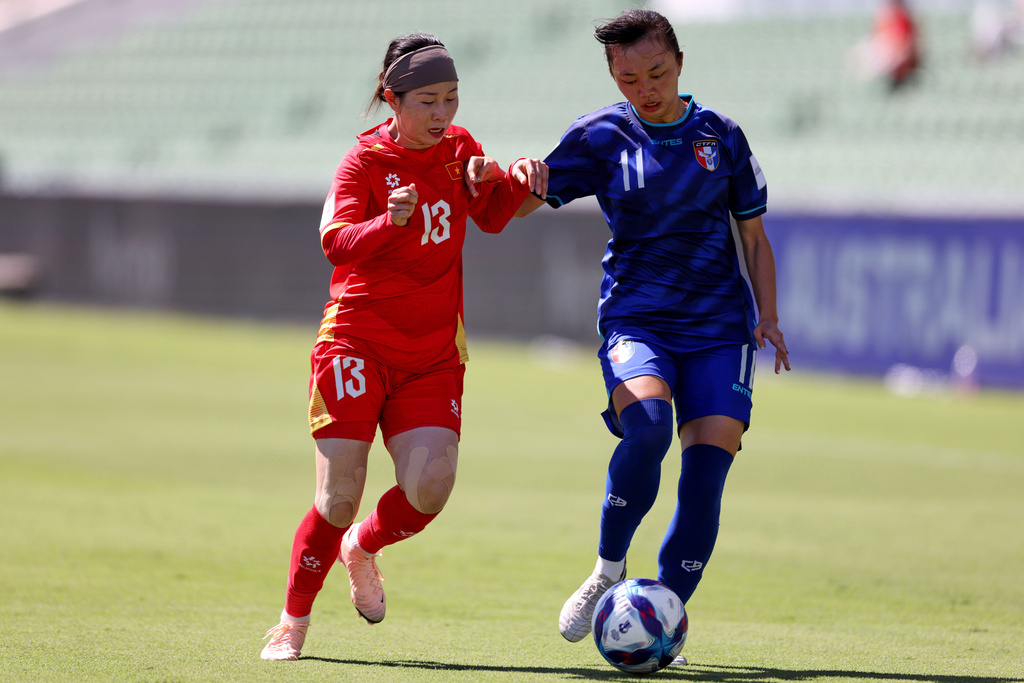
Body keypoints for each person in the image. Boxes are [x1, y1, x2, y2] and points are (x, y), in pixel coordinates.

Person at [260, 33, 547, 661]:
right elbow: (335, 244)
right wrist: (388, 221)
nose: (442, 113)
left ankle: (361, 548)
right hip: (355, 342)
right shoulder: (361, 165)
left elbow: (496, 215)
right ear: (393, 99)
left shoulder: (460, 148)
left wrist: (527, 181)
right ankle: (292, 622)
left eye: (450, 97)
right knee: (338, 496)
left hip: (431, 352)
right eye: (427, 100)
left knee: (430, 491)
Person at [515, 7, 790, 660]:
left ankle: (660, 615)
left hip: (719, 328)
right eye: (630, 77)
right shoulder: (599, 136)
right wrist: (520, 178)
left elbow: (753, 234)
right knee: (647, 428)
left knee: (704, 478)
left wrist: (768, 315)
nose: (647, 88)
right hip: (637, 319)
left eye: (658, 72)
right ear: (614, 75)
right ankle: (608, 571)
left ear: (681, 65)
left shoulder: (722, 136)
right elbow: (523, 203)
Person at [848, 0, 921, 90]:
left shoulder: (904, 18)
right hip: (885, 53)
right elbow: (876, 33)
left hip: (896, 54)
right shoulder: (885, 16)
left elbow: (908, 42)